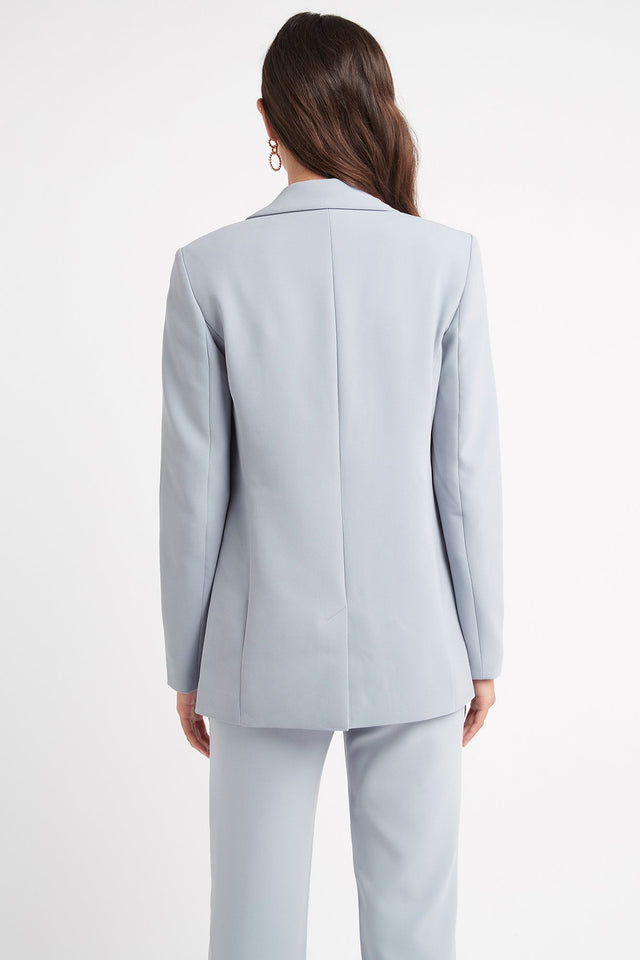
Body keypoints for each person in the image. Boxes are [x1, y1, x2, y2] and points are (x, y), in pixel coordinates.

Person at [159, 11, 503, 960]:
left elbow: (193, 496)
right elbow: (463, 477)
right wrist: (481, 647)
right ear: (373, 107)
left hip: (257, 650)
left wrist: (187, 665)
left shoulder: (207, 271)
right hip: (417, 643)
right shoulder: (446, 262)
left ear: (268, 118)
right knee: (415, 934)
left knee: (252, 932)